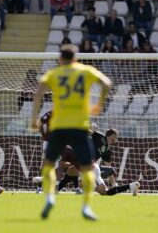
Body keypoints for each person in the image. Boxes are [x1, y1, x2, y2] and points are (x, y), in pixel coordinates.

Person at [29, 44, 112, 221]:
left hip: (58, 128)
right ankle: (86, 207)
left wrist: (33, 118)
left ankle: (50, 197)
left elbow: (38, 94)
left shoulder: (54, 73)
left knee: (49, 164)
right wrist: (100, 104)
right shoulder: (85, 70)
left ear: (60, 59)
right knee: (88, 168)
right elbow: (106, 83)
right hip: (79, 128)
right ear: (75, 59)